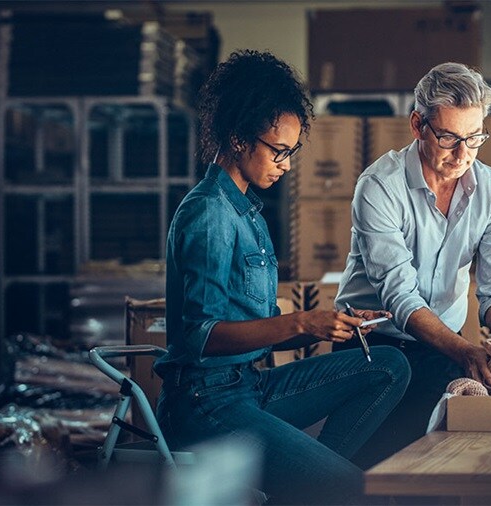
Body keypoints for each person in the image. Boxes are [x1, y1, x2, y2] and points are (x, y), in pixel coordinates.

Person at [152, 50, 410, 505]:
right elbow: (200, 337)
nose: (286, 164)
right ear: (237, 138)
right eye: (278, 151)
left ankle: (309, 485)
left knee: (388, 365)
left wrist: (334, 321)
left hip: (248, 386)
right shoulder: (210, 213)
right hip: (204, 404)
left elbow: (261, 332)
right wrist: (302, 323)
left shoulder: (248, 211)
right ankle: (320, 486)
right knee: (356, 490)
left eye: (292, 152)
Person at [334, 62, 491, 469]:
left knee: (441, 462)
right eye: (448, 138)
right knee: (369, 470)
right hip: (371, 345)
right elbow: (401, 296)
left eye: (475, 138)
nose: (462, 155)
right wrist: (463, 350)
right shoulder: (379, 186)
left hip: (443, 345)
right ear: (417, 125)